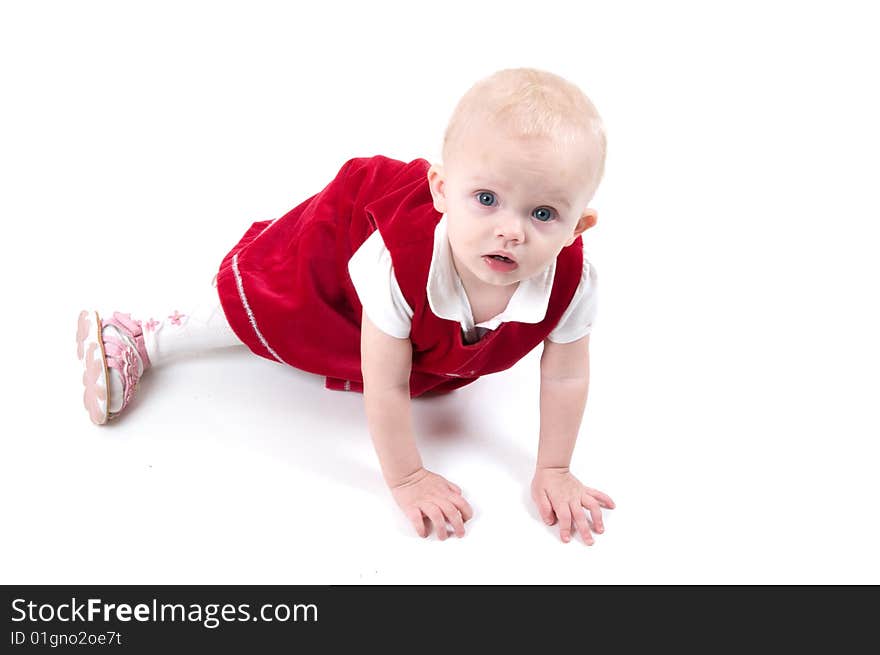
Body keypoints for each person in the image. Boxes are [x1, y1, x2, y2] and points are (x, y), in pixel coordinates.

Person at [76, 67, 616, 544]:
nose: (510, 231)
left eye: (543, 213)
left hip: (421, 321)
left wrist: (556, 469)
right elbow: (383, 380)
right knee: (278, 305)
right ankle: (140, 336)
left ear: (578, 227)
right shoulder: (395, 261)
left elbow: (566, 376)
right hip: (343, 246)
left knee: (410, 352)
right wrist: (406, 478)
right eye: (486, 199)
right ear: (442, 191)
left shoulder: (572, 278)